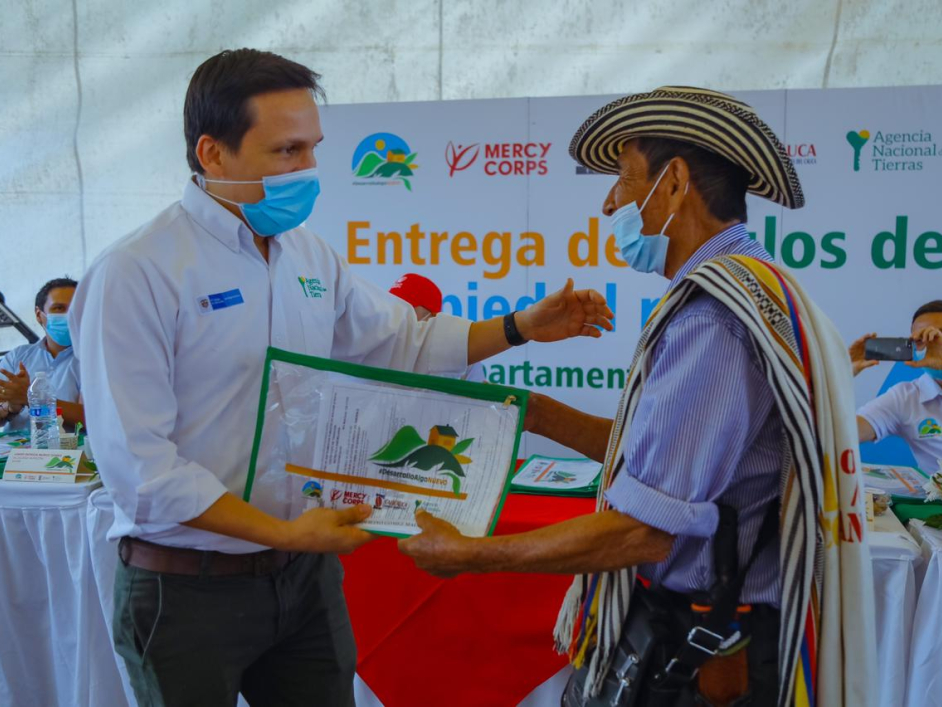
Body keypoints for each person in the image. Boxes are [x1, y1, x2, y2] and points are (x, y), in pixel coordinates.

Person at [69, 48, 613, 707]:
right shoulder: (138, 272)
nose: (308, 170)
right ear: (213, 155)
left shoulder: (306, 253)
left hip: (304, 581)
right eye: (286, 152)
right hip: (187, 587)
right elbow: (141, 471)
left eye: (312, 149)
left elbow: (402, 339)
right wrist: (286, 532)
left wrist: (520, 325)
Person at [399, 87, 876, 706]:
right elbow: (664, 464)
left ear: (674, 183)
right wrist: (531, 412)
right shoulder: (758, 285)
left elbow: (647, 529)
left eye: (624, 181)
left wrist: (470, 554)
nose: (608, 204)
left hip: (702, 645)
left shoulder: (713, 320)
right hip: (716, 631)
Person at [850, 300, 942, 471]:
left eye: (938, 336)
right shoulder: (906, 397)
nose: (933, 344)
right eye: (922, 339)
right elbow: (842, 435)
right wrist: (841, 374)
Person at [0, 277, 84, 430]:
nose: (68, 316)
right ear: (39, 315)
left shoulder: (94, 359)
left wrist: (32, 398)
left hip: (67, 452)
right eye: (58, 308)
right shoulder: (16, 357)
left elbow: (91, 417)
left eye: (74, 309)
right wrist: (10, 408)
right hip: (13, 453)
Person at [389, 273, 485, 382]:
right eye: (392, 306)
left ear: (433, 317)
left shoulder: (462, 351)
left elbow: (476, 395)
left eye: (406, 308)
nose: (395, 314)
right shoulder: (381, 344)